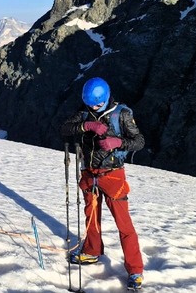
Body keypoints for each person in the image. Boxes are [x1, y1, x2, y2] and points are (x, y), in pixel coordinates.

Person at [60, 77, 145, 290]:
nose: (94, 107)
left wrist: (118, 142)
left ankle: (135, 271)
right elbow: (65, 129)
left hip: (113, 174)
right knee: (91, 216)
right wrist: (87, 125)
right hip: (89, 172)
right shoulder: (85, 111)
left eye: (97, 104)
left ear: (106, 98)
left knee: (123, 224)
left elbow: (139, 141)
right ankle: (91, 251)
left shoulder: (123, 114)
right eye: (91, 104)